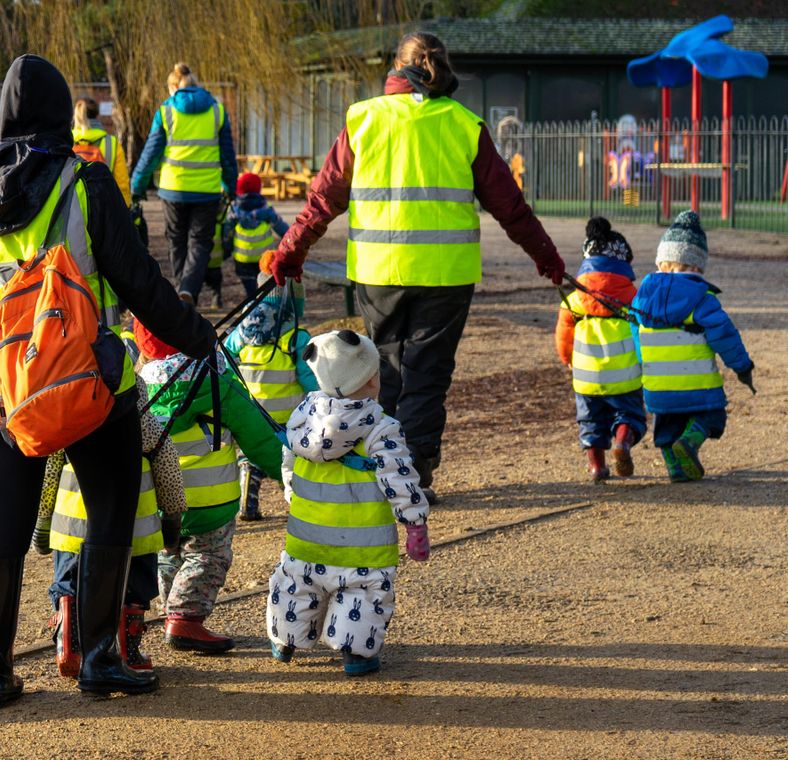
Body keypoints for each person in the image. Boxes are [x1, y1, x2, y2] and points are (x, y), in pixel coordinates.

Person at [0, 55, 216, 705]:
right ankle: (100, 658)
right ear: (59, 114)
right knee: (110, 505)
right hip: (87, 382)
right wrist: (198, 335)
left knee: (3, 519)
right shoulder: (85, 183)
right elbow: (139, 283)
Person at [269, 32, 565, 499]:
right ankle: (415, 473)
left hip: (378, 270)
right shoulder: (465, 125)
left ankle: (379, 468)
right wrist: (548, 260)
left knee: (382, 368)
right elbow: (512, 208)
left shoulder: (363, 119)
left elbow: (324, 198)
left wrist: (290, 251)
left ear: (395, 67)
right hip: (446, 274)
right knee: (427, 374)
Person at [267, 330, 429, 676]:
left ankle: (285, 638)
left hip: (306, 538)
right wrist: (414, 521)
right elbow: (398, 476)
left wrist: (291, 489)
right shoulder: (380, 428)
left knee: (296, 585)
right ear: (372, 380)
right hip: (363, 548)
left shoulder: (303, 417)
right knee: (363, 597)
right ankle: (356, 653)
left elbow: (288, 457)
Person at [135, 320, 282, 653]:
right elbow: (259, 440)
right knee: (208, 557)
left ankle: (172, 610)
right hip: (212, 502)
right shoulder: (217, 384)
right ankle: (184, 619)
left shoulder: (138, 389)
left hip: (159, 502)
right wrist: (292, 474)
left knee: (168, 554)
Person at [39, 376, 187, 676]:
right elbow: (169, 471)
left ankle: (69, 628)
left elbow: (49, 472)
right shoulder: (145, 425)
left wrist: (42, 523)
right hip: (133, 530)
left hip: (71, 527)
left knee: (70, 580)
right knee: (132, 588)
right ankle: (128, 651)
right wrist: (172, 520)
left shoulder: (66, 424)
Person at [631, 211, 755, 482]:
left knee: (665, 428)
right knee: (712, 416)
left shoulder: (642, 298)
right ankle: (690, 441)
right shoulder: (702, 299)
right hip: (699, 386)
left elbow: (635, 334)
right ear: (698, 266)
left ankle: (676, 469)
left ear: (662, 263)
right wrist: (742, 366)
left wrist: (644, 361)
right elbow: (725, 335)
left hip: (658, 386)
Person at [130, 63, 238, 305]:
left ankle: (182, 294)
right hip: (207, 191)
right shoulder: (217, 111)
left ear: (172, 87)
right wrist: (231, 188)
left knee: (176, 240)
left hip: (173, 190)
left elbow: (150, 154)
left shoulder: (166, 111)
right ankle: (188, 290)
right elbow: (227, 157)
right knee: (200, 244)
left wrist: (137, 186)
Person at [555, 217, 646, 482]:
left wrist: (567, 358)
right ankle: (622, 442)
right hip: (625, 374)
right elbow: (645, 332)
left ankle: (597, 467)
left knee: (591, 422)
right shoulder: (633, 297)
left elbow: (563, 335)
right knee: (629, 414)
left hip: (585, 375)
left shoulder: (575, 299)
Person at [224, 274, 317, 520]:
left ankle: (248, 493)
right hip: (287, 413)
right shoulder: (296, 336)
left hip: (252, 411)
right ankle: (295, 498)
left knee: (253, 453)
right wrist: (320, 395)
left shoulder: (242, 330)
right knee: (289, 458)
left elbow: (225, 358)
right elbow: (308, 376)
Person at [224, 173, 290, 298]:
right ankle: (262, 303)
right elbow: (281, 228)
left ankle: (252, 300)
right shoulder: (266, 210)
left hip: (242, 257)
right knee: (264, 284)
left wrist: (226, 249)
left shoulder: (234, 210)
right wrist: (291, 242)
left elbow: (227, 231)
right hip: (264, 257)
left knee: (249, 286)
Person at [72, 96, 131, 206]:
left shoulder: (66, 141)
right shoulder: (112, 143)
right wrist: (125, 208)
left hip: (72, 208)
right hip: (103, 207)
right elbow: (122, 183)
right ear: (97, 115)